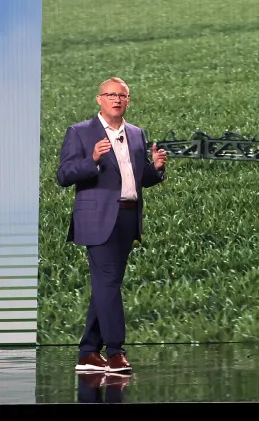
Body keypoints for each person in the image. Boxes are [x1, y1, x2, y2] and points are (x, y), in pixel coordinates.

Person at [57, 77, 167, 375]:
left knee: (108, 286)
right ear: (99, 99)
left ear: (128, 100)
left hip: (128, 217)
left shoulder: (136, 133)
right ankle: (116, 352)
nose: (116, 99)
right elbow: (64, 175)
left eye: (122, 95)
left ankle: (88, 352)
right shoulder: (80, 132)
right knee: (107, 284)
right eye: (110, 95)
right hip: (97, 218)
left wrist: (156, 169)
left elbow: (137, 178)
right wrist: (91, 159)